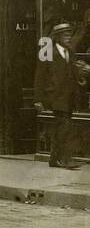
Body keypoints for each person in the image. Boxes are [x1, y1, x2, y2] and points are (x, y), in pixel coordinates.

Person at [34, 22, 88, 169]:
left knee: (62, 128)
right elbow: (40, 76)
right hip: (55, 96)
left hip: (69, 96)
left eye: (70, 35)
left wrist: (81, 79)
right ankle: (65, 159)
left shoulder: (70, 51)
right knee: (65, 127)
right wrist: (38, 99)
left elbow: (72, 73)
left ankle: (54, 159)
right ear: (57, 37)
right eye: (65, 35)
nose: (68, 38)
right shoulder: (47, 51)